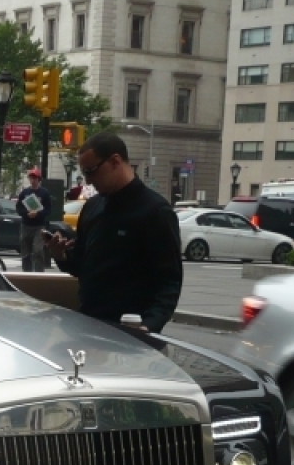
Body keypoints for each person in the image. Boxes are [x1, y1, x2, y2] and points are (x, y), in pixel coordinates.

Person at [44, 132, 181, 333]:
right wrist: (61, 255)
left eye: (91, 171)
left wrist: (150, 324)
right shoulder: (92, 207)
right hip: (88, 323)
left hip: (130, 330)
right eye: (85, 174)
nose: (88, 182)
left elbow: (169, 281)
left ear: (115, 161)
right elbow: (82, 266)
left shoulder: (155, 211)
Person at [15, 167, 52, 272]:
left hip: (39, 226)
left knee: (38, 250)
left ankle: (39, 273)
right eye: (31, 178)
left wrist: (38, 213)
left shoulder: (44, 193)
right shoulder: (24, 192)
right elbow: (19, 208)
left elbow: (48, 210)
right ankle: (27, 273)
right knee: (25, 252)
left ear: (38, 179)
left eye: (35, 178)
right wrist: (26, 214)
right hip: (26, 225)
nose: (32, 180)